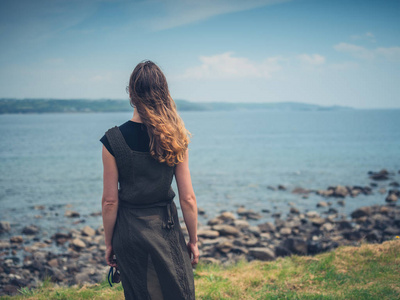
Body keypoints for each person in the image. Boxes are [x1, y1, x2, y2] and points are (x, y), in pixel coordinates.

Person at [99, 60, 199, 299]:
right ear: (163, 92)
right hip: (166, 228)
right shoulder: (176, 137)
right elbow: (188, 198)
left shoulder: (112, 140)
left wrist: (109, 242)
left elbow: (110, 202)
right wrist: (193, 240)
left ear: (131, 93)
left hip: (128, 231)